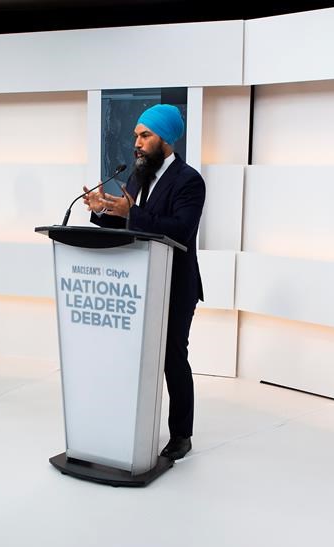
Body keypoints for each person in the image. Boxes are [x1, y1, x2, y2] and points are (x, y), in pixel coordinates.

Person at [83, 104, 205, 460]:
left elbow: (181, 230)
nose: (136, 142)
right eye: (136, 134)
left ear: (165, 138)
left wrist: (130, 212)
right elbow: (127, 224)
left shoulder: (189, 180)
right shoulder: (137, 176)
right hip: (137, 284)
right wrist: (101, 210)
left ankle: (181, 434)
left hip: (175, 285)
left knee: (171, 358)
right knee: (133, 357)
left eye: (144, 135)